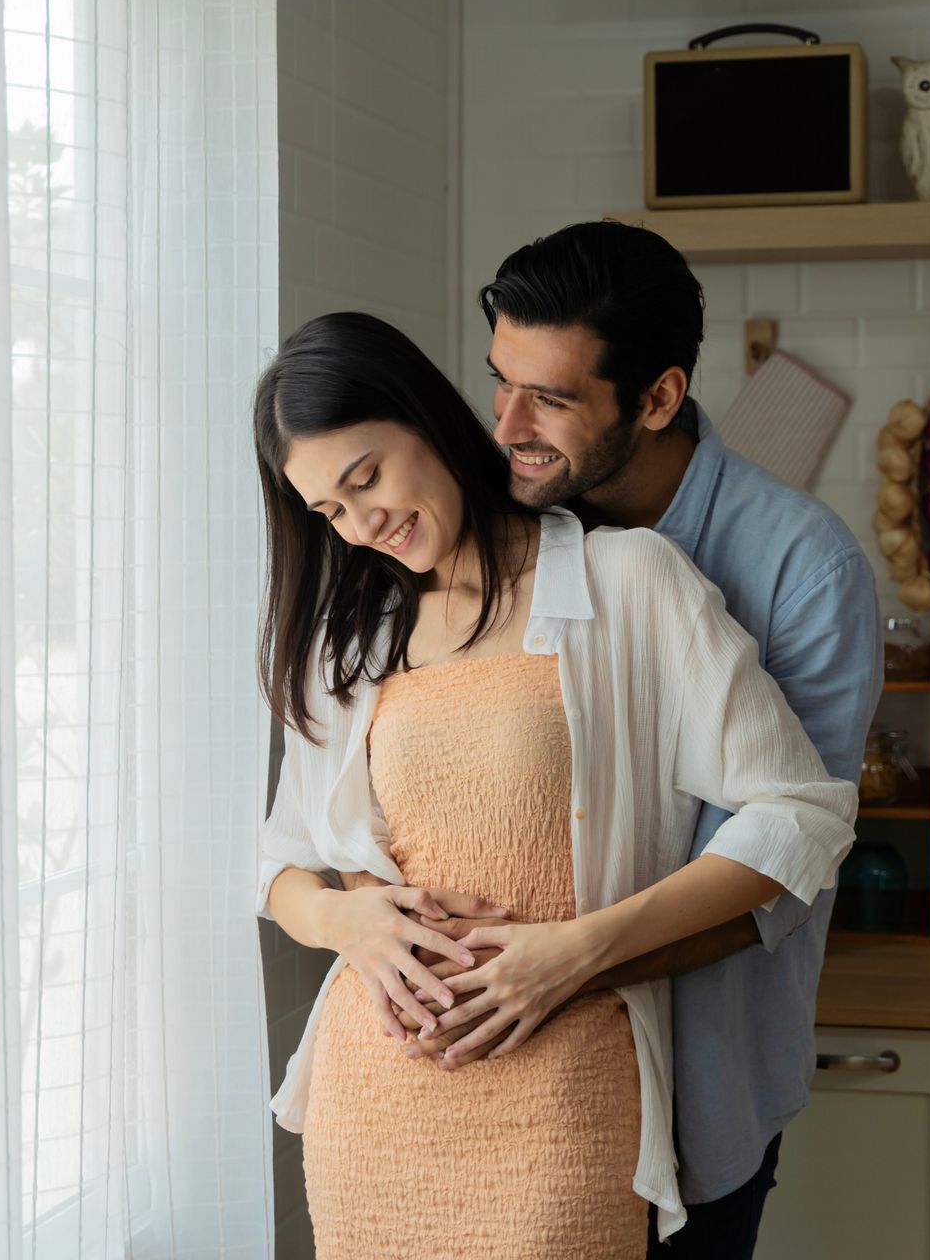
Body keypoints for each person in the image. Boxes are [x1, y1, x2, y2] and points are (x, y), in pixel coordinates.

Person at [253, 310, 857, 1256]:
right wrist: (350, 925)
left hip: (567, 1096)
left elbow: (802, 814)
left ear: (425, 418)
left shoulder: (629, 582)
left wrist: (579, 951)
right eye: (328, 510)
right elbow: (283, 870)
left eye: (365, 475)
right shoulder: (355, 642)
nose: (363, 524)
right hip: (374, 1104)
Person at [416, 219, 883, 1256]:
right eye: (501, 380)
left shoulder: (803, 566)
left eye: (553, 397)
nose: (508, 423)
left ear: (659, 397)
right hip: (497, 1083)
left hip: (699, 1091)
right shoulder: (494, 529)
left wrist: (564, 963)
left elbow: (778, 863)